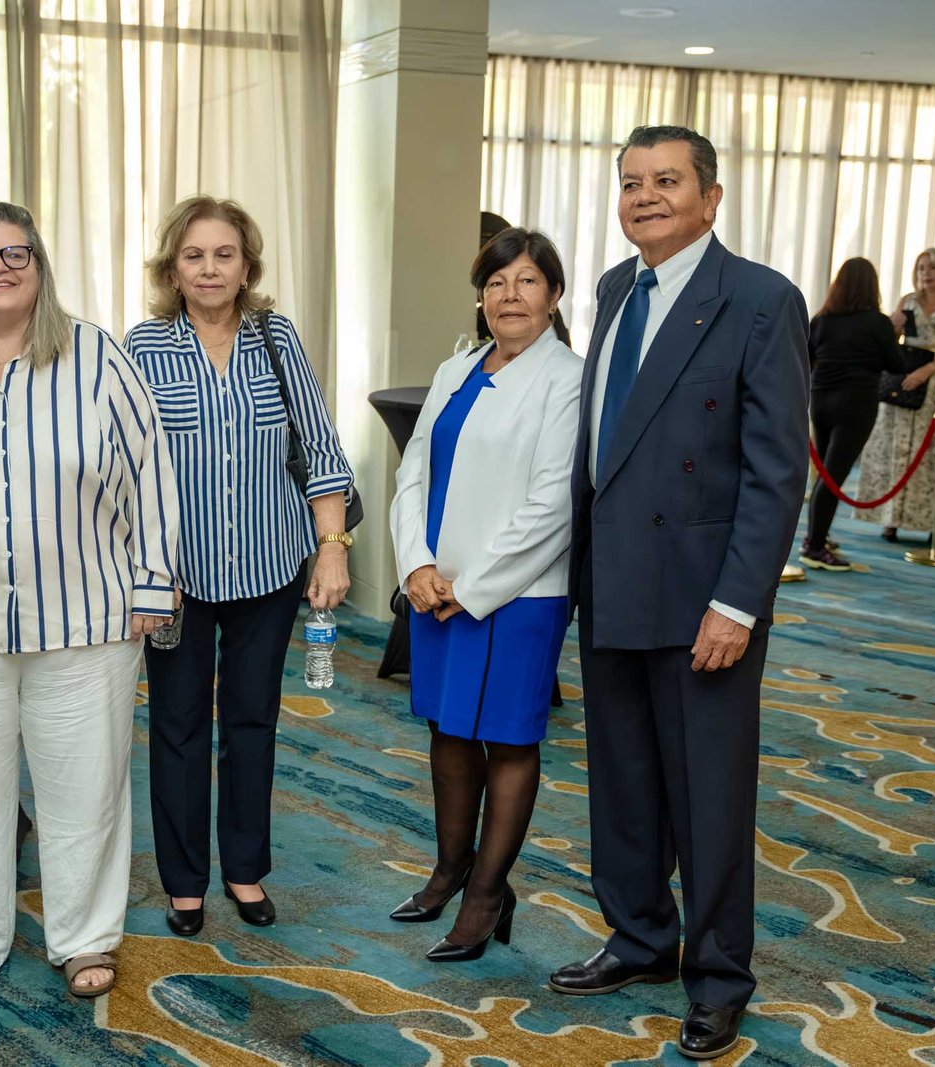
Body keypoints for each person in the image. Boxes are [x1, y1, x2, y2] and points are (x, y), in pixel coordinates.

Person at [553, 125, 808, 1061]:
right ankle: (639, 936)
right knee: (622, 780)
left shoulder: (759, 300)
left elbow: (777, 471)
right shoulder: (615, 289)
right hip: (612, 579)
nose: (645, 196)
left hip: (704, 599)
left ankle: (719, 977)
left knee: (708, 797)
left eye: (666, 180)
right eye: (631, 182)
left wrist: (739, 603)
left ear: (711, 197)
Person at [0, 201, 178, 998]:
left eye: (14, 253)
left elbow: (151, 472)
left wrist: (154, 580)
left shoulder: (98, 357)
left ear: (39, 265)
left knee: (85, 793)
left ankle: (85, 938)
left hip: (87, 618)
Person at [125, 195, 353, 937]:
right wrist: (141, 567)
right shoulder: (144, 346)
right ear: (172, 269)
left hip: (269, 567)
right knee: (178, 725)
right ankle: (184, 881)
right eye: (193, 255)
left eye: (224, 254)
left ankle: (245, 869)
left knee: (253, 720)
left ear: (247, 266)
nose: (209, 268)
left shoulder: (276, 338)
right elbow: (124, 467)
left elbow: (320, 448)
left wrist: (331, 547)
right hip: (178, 578)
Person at [387, 228, 582, 962]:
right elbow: (413, 472)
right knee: (448, 728)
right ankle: (449, 870)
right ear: (480, 295)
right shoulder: (456, 368)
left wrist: (470, 588)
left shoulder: (568, 380)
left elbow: (552, 506)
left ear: (554, 295)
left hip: (517, 595)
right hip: (436, 585)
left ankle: (487, 892)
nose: (510, 295)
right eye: (496, 282)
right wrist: (416, 565)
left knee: (508, 737)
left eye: (527, 281)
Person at [853, 247, 935, 541]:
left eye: (932, 268)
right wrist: (892, 327)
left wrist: (928, 371)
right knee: (899, 446)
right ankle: (892, 517)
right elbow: (891, 341)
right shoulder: (908, 300)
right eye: (921, 268)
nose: (926, 274)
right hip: (906, 376)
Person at [799, 258, 908, 570]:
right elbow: (896, 365)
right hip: (856, 403)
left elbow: (807, 359)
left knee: (825, 474)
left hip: (820, 400)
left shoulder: (821, 319)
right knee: (833, 477)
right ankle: (814, 546)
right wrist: (896, 331)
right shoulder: (877, 322)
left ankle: (816, 536)